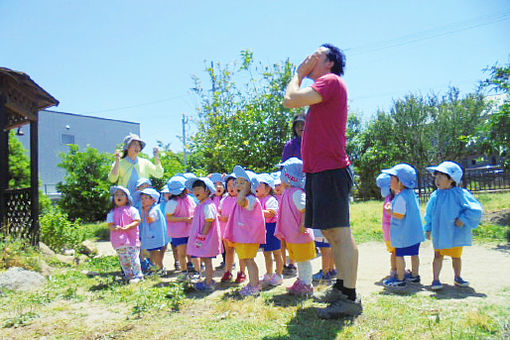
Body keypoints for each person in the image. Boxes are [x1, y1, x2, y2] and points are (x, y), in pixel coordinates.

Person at [283, 43, 360, 317]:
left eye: (316, 54)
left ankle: (349, 298)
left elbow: (290, 99)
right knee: (330, 233)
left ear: (329, 62)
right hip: (319, 172)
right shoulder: (325, 87)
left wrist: (298, 73)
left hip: (330, 170)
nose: (309, 57)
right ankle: (342, 287)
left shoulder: (330, 80)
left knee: (339, 234)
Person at [424, 161, 483, 290]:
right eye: (436, 177)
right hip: (439, 232)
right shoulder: (435, 195)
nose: (437, 180)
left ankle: (457, 277)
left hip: (455, 233)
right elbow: (429, 213)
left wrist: (463, 218)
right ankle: (435, 279)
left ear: (451, 179)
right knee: (438, 255)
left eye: (441, 176)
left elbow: (475, 209)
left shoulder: (461, 194)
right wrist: (428, 228)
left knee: (456, 256)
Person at [274, 157, 316, 296]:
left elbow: (305, 209)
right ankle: (302, 280)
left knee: (303, 260)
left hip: (300, 234)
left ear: (288, 176)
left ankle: (307, 284)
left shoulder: (297, 193)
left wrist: (304, 224)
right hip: (293, 235)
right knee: (299, 259)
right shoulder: (288, 192)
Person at [224, 165, 266, 297]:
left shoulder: (251, 199)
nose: (238, 184)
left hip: (249, 237)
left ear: (251, 186)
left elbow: (242, 202)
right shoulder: (243, 198)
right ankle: (253, 283)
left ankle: (254, 286)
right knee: (247, 259)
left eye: (243, 183)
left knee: (249, 260)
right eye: (237, 182)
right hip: (244, 236)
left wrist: (242, 192)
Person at [381, 163, 425, 288]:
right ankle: (415, 276)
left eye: (392, 177)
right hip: (415, 233)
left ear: (399, 181)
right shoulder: (412, 194)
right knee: (414, 254)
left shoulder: (401, 197)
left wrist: (390, 210)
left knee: (399, 255)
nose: (390, 180)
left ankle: (400, 279)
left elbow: (399, 215)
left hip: (403, 235)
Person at [185, 177, 223, 291]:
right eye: (194, 188)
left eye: (199, 188)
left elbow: (209, 221)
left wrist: (202, 236)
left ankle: (209, 282)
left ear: (207, 190)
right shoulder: (201, 204)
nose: (196, 191)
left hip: (206, 237)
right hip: (202, 237)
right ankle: (207, 279)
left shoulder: (208, 205)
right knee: (204, 258)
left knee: (207, 260)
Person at [106, 186, 143, 283]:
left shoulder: (132, 210)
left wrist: (129, 226)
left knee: (133, 257)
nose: (118, 196)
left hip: (131, 239)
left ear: (127, 198)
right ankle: (128, 275)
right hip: (118, 240)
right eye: (116, 195)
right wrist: (115, 227)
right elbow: (110, 225)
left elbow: (137, 221)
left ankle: (138, 275)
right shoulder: (112, 212)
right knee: (123, 259)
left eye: (121, 194)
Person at [254, 173, 284, 287]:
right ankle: (269, 273)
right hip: (263, 228)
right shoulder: (257, 199)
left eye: (259, 185)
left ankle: (279, 274)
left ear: (267, 188)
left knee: (277, 252)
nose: (256, 187)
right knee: (266, 252)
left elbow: (271, 213)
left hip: (272, 228)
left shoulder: (271, 199)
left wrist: (257, 212)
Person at [219, 174, 247, 283]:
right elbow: (220, 211)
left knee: (240, 252)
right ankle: (228, 271)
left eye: (234, 184)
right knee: (228, 251)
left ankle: (242, 272)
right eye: (229, 185)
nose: (231, 187)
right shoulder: (224, 199)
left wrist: (229, 218)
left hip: (238, 231)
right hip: (226, 230)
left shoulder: (241, 199)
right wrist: (220, 217)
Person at [165, 176, 196, 274]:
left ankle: (191, 266)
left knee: (191, 251)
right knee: (182, 252)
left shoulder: (190, 199)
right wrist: (184, 219)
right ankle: (183, 271)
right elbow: (169, 217)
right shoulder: (172, 202)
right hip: (179, 232)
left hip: (190, 230)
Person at [139, 188, 169, 273]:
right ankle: (154, 267)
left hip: (155, 235)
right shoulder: (147, 209)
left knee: (155, 252)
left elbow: (151, 219)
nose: (143, 200)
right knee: (151, 251)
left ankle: (160, 268)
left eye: (146, 198)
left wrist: (146, 212)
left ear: (153, 199)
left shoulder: (154, 209)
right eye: (142, 198)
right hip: (149, 234)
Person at [376, 173, 397, 280]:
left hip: (388, 231)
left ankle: (396, 269)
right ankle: (394, 271)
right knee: (395, 252)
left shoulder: (388, 198)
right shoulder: (391, 200)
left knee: (394, 252)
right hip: (392, 231)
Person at [210, 172, 227, 270]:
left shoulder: (226, 197)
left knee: (226, 245)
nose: (218, 187)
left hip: (224, 224)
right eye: (215, 185)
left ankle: (227, 261)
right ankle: (224, 261)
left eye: (220, 184)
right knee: (220, 244)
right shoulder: (211, 198)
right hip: (216, 225)